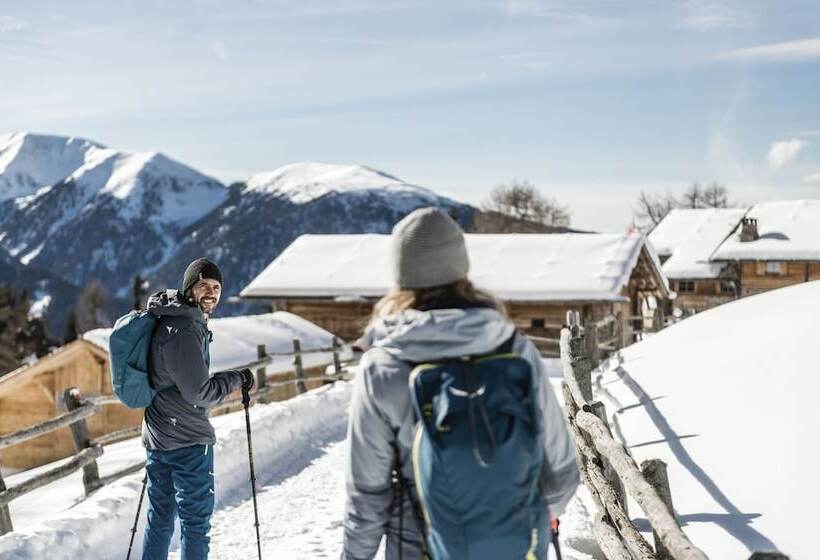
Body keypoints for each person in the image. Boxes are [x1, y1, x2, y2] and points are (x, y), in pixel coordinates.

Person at [342, 208, 579, 559]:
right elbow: (560, 469)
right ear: (461, 269)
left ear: (401, 279)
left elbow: (367, 495)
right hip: (517, 545)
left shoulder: (383, 367)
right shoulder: (514, 349)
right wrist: (523, 523)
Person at [141, 258, 254, 560]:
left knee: (160, 517)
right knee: (195, 524)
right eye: (204, 285)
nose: (211, 292)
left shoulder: (171, 319)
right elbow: (200, 393)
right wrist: (236, 378)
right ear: (189, 288)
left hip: (159, 435)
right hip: (187, 440)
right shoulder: (184, 329)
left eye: (216, 287)